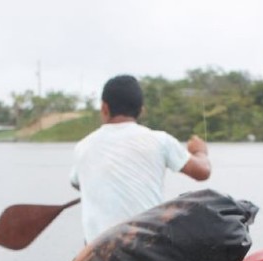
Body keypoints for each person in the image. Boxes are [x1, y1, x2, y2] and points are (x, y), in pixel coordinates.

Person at [69, 74, 212, 242]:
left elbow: (75, 182)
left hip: (97, 254)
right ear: (141, 110)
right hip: (146, 248)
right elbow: (203, 171)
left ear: (104, 108)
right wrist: (200, 152)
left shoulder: (83, 146)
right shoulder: (160, 140)